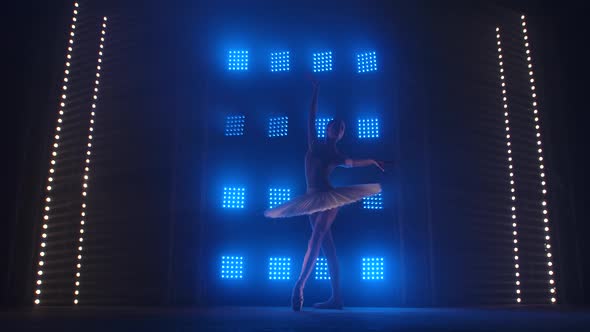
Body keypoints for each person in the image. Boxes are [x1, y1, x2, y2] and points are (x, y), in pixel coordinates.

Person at [264, 78, 384, 311]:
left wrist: (372, 160)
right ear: (328, 128)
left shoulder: (337, 155)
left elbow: (353, 162)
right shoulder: (314, 144)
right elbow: (310, 118)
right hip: (311, 198)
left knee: (316, 237)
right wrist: (316, 91)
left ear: (341, 135)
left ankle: (299, 286)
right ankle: (336, 298)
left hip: (329, 198)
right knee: (327, 248)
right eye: (334, 124)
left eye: (342, 127)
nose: (337, 127)